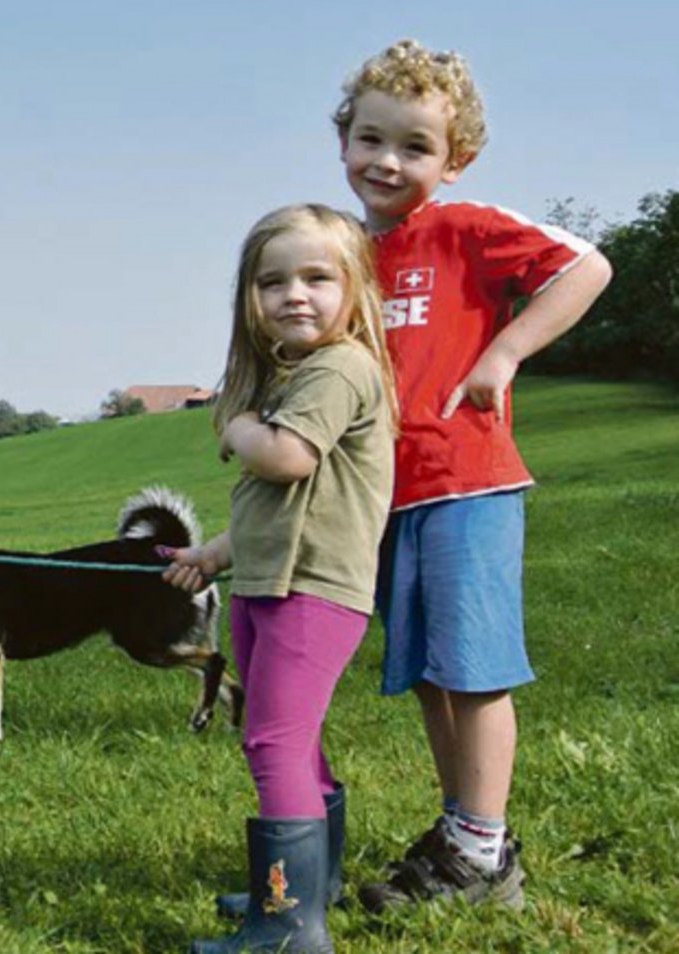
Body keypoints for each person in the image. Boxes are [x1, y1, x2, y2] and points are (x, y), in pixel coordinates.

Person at [332, 39, 613, 912]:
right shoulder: (342, 254)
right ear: (343, 138)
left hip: (467, 484)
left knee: (473, 669)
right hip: (385, 494)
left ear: (455, 162)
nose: (388, 161)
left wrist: (506, 352)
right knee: (427, 670)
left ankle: (483, 855)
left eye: (415, 147)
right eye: (371, 139)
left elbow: (586, 267)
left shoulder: (463, 228)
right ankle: (464, 831)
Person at [164, 203, 395, 953]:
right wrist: (213, 555)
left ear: (356, 289)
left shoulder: (341, 367)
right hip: (271, 583)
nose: (294, 294)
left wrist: (234, 423)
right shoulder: (301, 373)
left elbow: (287, 460)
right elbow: (280, 505)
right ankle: (310, 889)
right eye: (273, 282)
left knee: (271, 744)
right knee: (292, 745)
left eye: (317, 277)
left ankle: (290, 926)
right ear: (250, 300)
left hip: (314, 593)